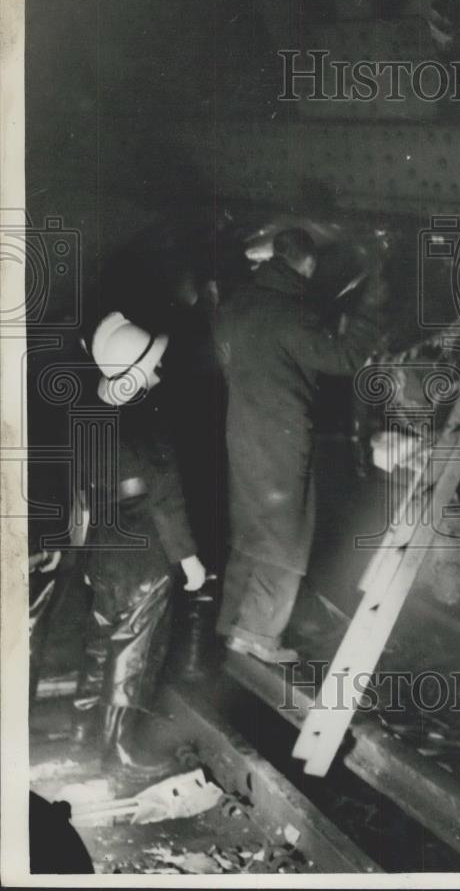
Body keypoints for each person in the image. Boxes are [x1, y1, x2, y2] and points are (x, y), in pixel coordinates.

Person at [216, 227, 379, 663]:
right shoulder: (292, 314)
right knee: (286, 537)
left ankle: (231, 624)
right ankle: (260, 636)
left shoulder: (238, 303)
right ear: (306, 264)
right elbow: (344, 358)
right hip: (281, 439)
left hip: (241, 431)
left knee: (250, 530)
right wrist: (372, 309)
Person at [71, 312, 206, 777]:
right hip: (145, 556)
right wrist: (188, 558)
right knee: (134, 653)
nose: (158, 372)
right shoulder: (148, 427)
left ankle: (84, 734)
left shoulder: (95, 417)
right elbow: (166, 497)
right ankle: (119, 755)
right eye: (151, 365)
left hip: (104, 551)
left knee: (100, 641)